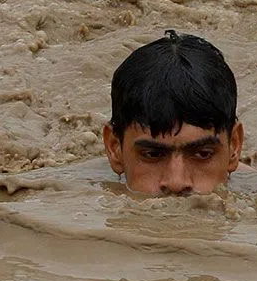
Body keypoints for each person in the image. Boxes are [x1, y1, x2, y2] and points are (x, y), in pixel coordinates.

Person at [103, 30, 244, 196]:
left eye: (203, 154)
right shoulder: (70, 192)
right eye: (153, 154)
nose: (176, 183)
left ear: (234, 146)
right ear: (114, 148)